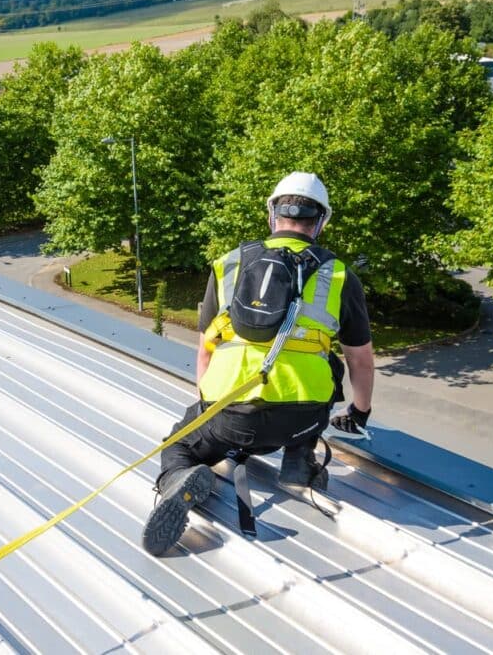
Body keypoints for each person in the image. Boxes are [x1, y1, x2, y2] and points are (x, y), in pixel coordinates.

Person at [142, 171, 375, 556]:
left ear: (272, 215)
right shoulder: (337, 275)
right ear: (320, 222)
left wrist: (209, 406)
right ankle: (299, 465)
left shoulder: (230, 265)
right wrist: (359, 413)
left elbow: (206, 352)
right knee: (324, 362)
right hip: (303, 418)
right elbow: (360, 361)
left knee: (178, 445)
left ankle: (179, 478)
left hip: (232, 415)